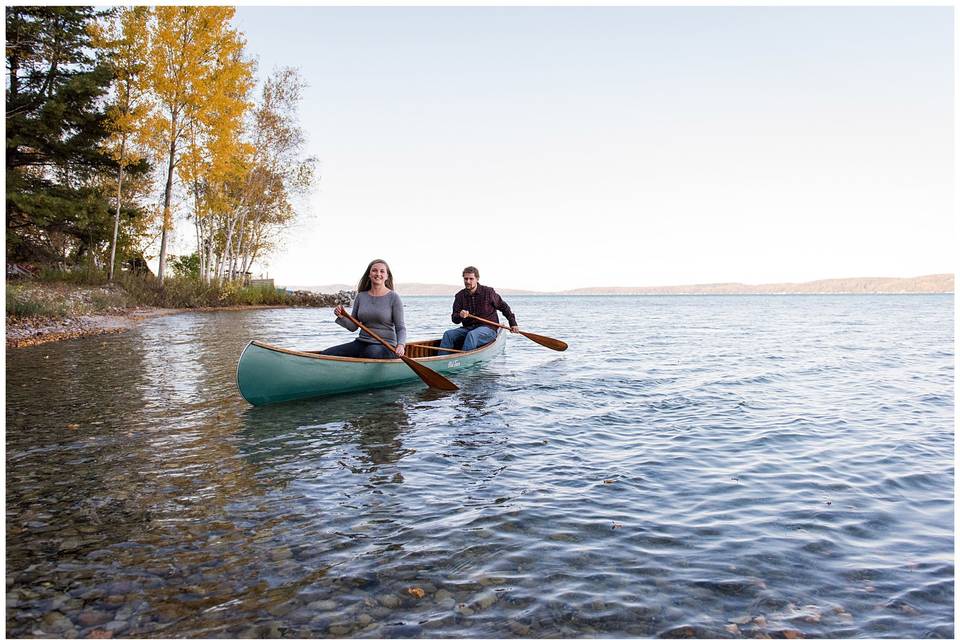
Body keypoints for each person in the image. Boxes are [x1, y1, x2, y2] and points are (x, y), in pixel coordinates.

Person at [321, 259, 406, 359]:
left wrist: (401, 345)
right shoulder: (361, 297)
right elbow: (353, 327)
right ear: (369, 274)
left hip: (387, 346)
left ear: (387, 276)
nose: (378, 274)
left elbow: (400, 328)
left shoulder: (394, 298)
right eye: (374, 270)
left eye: (382, 271)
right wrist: (341, 316)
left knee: (370, 352)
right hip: (362, 342)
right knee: (326, 354)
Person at [439, 266, 519, 353]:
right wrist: (460, 315)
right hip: (468, 328)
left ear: (477, 279)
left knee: (472, 335)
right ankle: (440, 361)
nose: (468, 281)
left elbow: (504, 307)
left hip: (488, 329)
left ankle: (465, 360)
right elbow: (454, 319)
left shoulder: (488, 292)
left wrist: (513, 323)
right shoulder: (459, 296)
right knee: (448, 334)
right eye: (466, 279)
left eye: (471, 279)